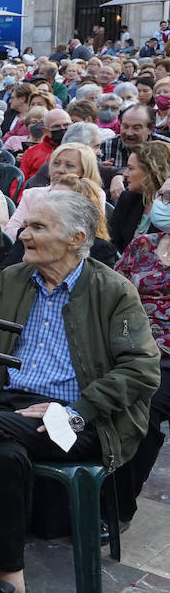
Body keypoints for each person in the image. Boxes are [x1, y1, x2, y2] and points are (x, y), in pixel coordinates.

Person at [0, 191, 158, 593]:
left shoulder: (113, 290)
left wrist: (78, 411)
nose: (24, 233)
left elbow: (142, 370)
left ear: (77, 238)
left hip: (81, 418)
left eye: (39, 227)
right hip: (12, 408)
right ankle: (11, 588)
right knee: (4, 455)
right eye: (27, 225)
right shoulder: (16, 279)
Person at [113, 192, 170, 522]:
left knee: (140, 408)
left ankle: (119, 505)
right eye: (164, 194)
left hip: (165, 359)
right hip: (125, 343)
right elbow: (113, 289)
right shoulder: (143, 245)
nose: (163, 202)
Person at [111, 140, 170, 252]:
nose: (125, 174)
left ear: (151, 171)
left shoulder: (166, 210)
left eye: (131, 168)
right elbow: (112, 244)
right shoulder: (127, 199)